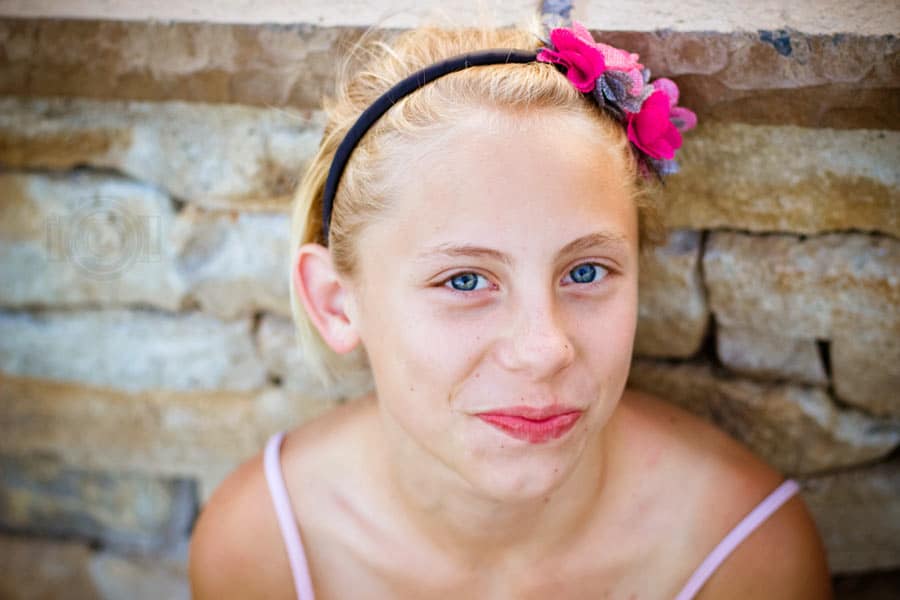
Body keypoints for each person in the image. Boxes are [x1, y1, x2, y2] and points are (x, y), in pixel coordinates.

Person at [189, 14, 832, 599]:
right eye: (466, 281)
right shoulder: (263, 549)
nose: (544, 348)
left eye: (585, 271)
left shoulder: (745, 560)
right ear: (335, 303)